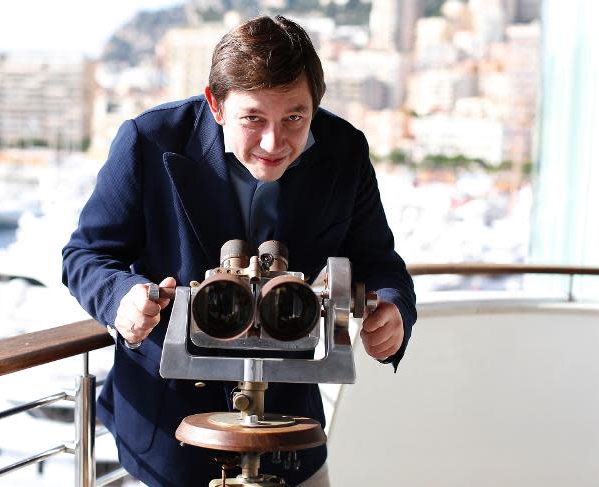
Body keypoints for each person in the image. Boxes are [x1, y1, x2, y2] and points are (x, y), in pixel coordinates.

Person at [62, 15, 416, 487]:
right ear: (216, 104)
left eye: (295, 117)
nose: (274, 142)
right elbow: (85, 255)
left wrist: (392, 306)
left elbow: (378, 260)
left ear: (316, 104)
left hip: (291, 436)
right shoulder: (148, 140)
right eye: (253, 118)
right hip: (166, 437)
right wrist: (122, 298)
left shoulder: (345, 149)